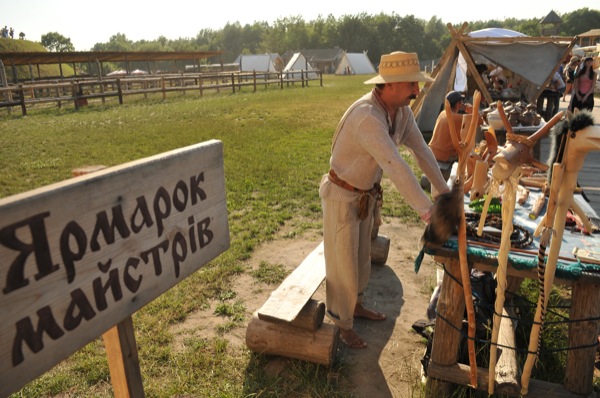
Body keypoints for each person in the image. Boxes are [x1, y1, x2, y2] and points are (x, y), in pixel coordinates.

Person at [319, 51, 450, 349]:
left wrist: (444, 191)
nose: (417, 91)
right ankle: (343, 325)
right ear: (389, 85)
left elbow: (422, 151)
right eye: (410, 85)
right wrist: (426, 211)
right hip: (342, 196)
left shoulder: (401, 112)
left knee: (362, 257)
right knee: (344, 264)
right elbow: (394, 164)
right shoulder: (367, 116)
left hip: (364, 195)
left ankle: (356, 307)